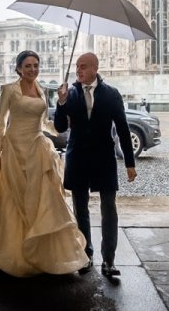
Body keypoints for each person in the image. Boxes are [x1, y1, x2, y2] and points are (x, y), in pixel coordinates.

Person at [0, 50, 89, 277]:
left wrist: (62, 126)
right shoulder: (9, 90)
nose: (32, 69)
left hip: (37, 149)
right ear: (18, 68)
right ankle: (12, 253)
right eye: (28, 66)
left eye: (36, 65)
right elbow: (0, 123)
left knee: (41, 199)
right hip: (14, 149)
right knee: (14, 199)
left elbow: (44, 122)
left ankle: (42, 254)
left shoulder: (41, 90)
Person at [54, 51, 137, 280]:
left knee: (109, 209)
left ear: (95, 68)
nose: (78, 70)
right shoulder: (68, 94)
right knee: (80, 209)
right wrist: (61, 103)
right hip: (78, 158)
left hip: (104, 159)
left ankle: (109, 260)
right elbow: (60, 127)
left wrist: (129, 163)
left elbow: (122, 128)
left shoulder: (111, 94)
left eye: (83, 66)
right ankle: (86, 255)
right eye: (77, 66)